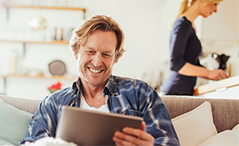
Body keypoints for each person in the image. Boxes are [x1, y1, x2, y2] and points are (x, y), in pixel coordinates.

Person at [20, 15, 180, 146]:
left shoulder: (140, 93)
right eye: (90, 51)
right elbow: (31, 143)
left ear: (115, 58)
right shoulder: (53, 104)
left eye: (106, 54)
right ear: (76, 53)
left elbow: (169, 142)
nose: (97, 62)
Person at [160, 0, 228, 96]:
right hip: (175, 92)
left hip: (180, 92)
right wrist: (208, 73)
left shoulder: (189, 26)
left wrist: (213, 73)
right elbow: (175, 63)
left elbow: (192, 63)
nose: (216, 10)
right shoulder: (183, 24)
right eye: (215, 4)